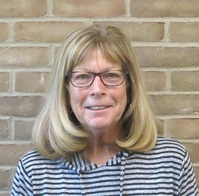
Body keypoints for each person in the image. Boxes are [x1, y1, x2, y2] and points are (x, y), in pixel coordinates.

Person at [11, 24, 198, 196]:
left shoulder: (170, 161)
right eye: (83, 76)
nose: (98, 90)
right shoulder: (34, 170)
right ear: (65, 89)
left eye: (111, 75)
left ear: (130, 86)